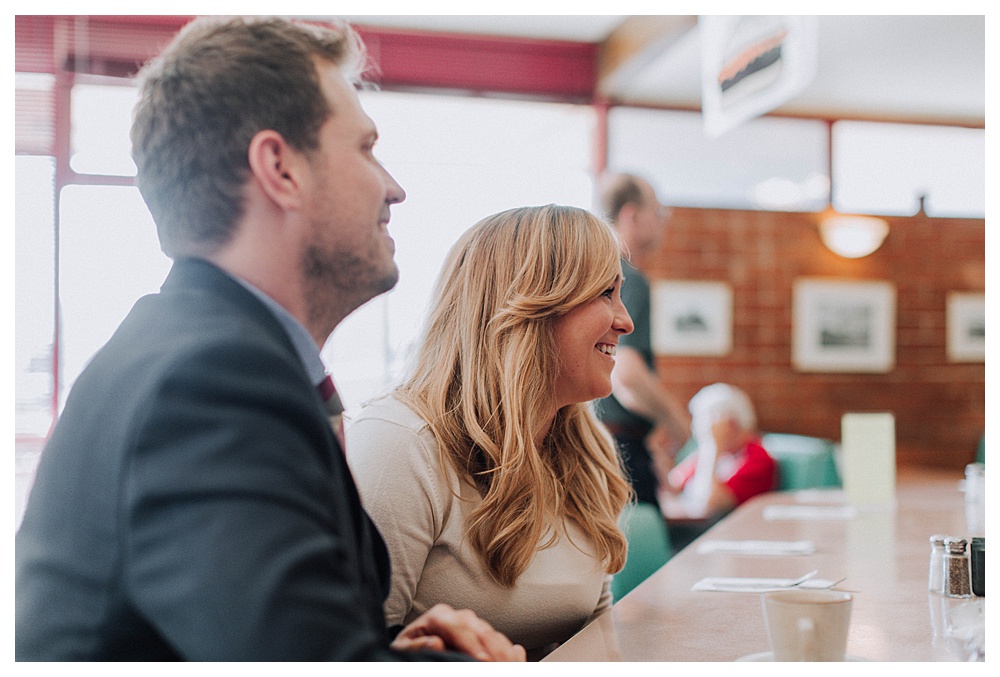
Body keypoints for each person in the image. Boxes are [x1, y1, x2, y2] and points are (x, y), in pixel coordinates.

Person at [15, 16, 524, 662]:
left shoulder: (195, 352)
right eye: (365, 148)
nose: (394, 187)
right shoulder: (210, 384)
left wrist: (388, 652)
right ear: (279, 168)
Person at [346, 205, 634, 659]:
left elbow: (593, 637)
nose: (625, 321)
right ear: (531, 306)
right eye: (605, 294)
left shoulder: (586, 448)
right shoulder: (400, 444)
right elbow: (350, 654)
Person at [594, 172, 691, 510]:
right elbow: (627, 375)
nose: (664, 223)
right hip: (621, 448)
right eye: (659, 213)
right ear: (631, 215)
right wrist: (677, 420)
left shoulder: (592, 272)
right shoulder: (628, 278)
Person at [658, 383, 778, 548]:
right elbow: (671, 487)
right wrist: (658, 455)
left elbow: (711, 505)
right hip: (691, 532)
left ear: (729, 423)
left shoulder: (757, 458)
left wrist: (713, 447)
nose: (698, 428)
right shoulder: (715, 454)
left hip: (724, 539)